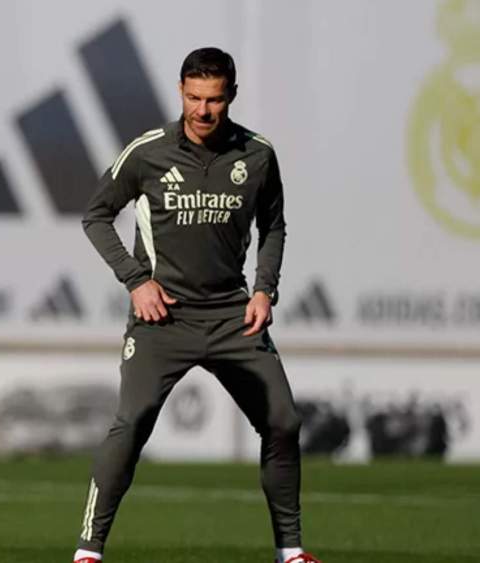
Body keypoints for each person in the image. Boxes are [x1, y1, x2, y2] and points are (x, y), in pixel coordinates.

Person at [73, 48, 319, 563]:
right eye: (193, 98)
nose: (202, 111)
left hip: (232, 314)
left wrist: (264, 289)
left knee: (283, 422)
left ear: (230, 95)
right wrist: (137, 280)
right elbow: (96, 214)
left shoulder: (257, 154)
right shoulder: (148, 152)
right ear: (180, 91)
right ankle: (88, 552)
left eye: (213, 100)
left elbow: (273, 225)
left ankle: (291, 552)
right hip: (163, 317)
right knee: (132, 420)